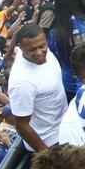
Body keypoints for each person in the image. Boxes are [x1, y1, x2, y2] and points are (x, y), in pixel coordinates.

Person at [7, 23, 68, 152]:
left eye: (42, 46)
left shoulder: (44, 51)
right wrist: (47, 154)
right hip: (50, 142)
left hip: (66, 127)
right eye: (32, 50)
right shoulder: (22, 82)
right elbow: (22, 125)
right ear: (22, 48)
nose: (39, 52)